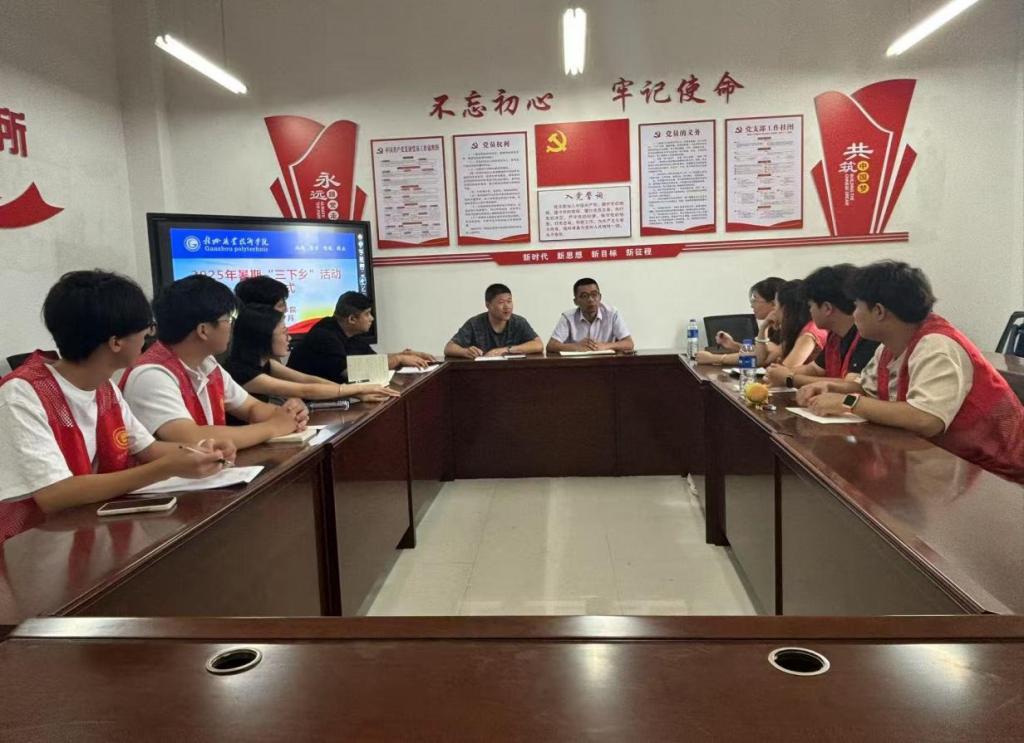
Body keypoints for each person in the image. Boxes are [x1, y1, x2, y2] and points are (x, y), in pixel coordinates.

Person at [0, 271, 234, 541]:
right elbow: (55, 494)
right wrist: (166, 468)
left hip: (90, 533)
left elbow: (147, 449)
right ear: (116, 342)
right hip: (31, 546)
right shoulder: (21, 394)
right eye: (146, 328)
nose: (150, 335)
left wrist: (202, 450)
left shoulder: (104, 388)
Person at [797, 260, 1024, 483]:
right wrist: (830, 387)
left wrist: (847, 402)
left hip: (998, 476)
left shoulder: (936, 345)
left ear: (879, 311)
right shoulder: (889, 346)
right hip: (948, 464)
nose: (853, 315)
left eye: (857, 306)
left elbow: (926, 418)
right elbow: (868, 389)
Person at [121, 275, 307, 450]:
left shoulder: (206, 364)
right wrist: (274, 427)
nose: (231, 326)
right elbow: (191, 437)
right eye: (228, 319)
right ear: (203, 330)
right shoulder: (151, 375)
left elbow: (251, 408)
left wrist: (288, 415)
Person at [226, 304, 399, 403]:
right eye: (284, 332)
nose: (289, 337)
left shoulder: (266, 363)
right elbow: (305, 390)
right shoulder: (242, 371)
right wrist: (361, 388)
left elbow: (307, 379)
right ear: (263, 336)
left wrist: (357, 393)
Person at [765, 264, 880, 389]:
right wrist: (779, 374)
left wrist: (790, 378)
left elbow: (851, 384)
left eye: (810, 305)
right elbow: (814, 369)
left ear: (827, 308)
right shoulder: (834, 335)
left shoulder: (868, 336)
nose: (809, 311)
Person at [287, 291, 435, 383]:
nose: (372, 319)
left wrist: (403, 355)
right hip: (304, 402)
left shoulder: (351, 333)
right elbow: (350, 372)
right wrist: (398, 359)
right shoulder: (324, 336)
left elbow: (371, 360)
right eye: (367, 314)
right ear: (352, 319)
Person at [695, 276, 783, 365]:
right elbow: (760, 352)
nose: (752, 305)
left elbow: (760, 358)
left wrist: (714, 358)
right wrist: (734, 345)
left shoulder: (786, 328)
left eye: (755, 300)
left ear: (774, 303)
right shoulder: (771, 326)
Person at [444, 283, 543, 358]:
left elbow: (538, 345)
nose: (507, 306)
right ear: (488, 305)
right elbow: (449, 348)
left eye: (509, 301)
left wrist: (506, 350)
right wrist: (465, 352)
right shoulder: (475, 323)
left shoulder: (518, 322)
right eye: (501, 302)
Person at [546, 278, 634, 354]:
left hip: (607, 363)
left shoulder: (612, 314)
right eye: (584, 296)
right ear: (576, 301)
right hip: (578, 364)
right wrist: (576, 346)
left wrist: (605, 346)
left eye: (594, 294)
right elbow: (551, 346)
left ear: (600, 297)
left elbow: (629, 343)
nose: (590, 299)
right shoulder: (568, 317)